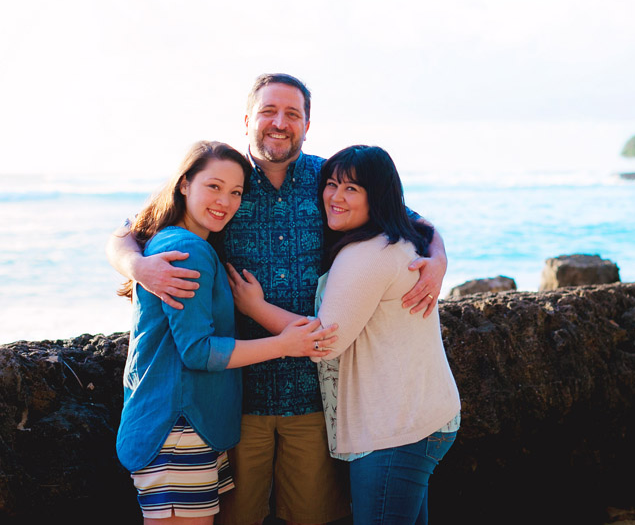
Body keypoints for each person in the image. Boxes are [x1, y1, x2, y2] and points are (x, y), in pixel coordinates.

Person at [106, 74, 448, 525]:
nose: (280, 123)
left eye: (292, 114)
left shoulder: (329, 180)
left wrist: (438, 255)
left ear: (307, 124)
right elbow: (132, 229)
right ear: (248, 119)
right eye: (269, 111)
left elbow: (405, 218)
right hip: (236, 399)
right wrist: (136, 266)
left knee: (313, 517)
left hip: (313, 396)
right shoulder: (225, 178)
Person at [228, 145, 460, 525]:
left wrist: (254, 306)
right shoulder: (396, 239)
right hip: (420, 417)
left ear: (377, 196)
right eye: (332, 185)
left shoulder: (367, 254)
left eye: (352, 189)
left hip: (394, 429)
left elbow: (325, 341)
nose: (336, 197)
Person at [116, 140, 338, 524]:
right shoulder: (186, 249)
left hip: (185, 424)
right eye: (214, 187)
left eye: (236, 192)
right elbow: (198, 351)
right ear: (184, 184)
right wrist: (284, 344)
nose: (225, 201)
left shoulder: (178, 239)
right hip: (178, 428)